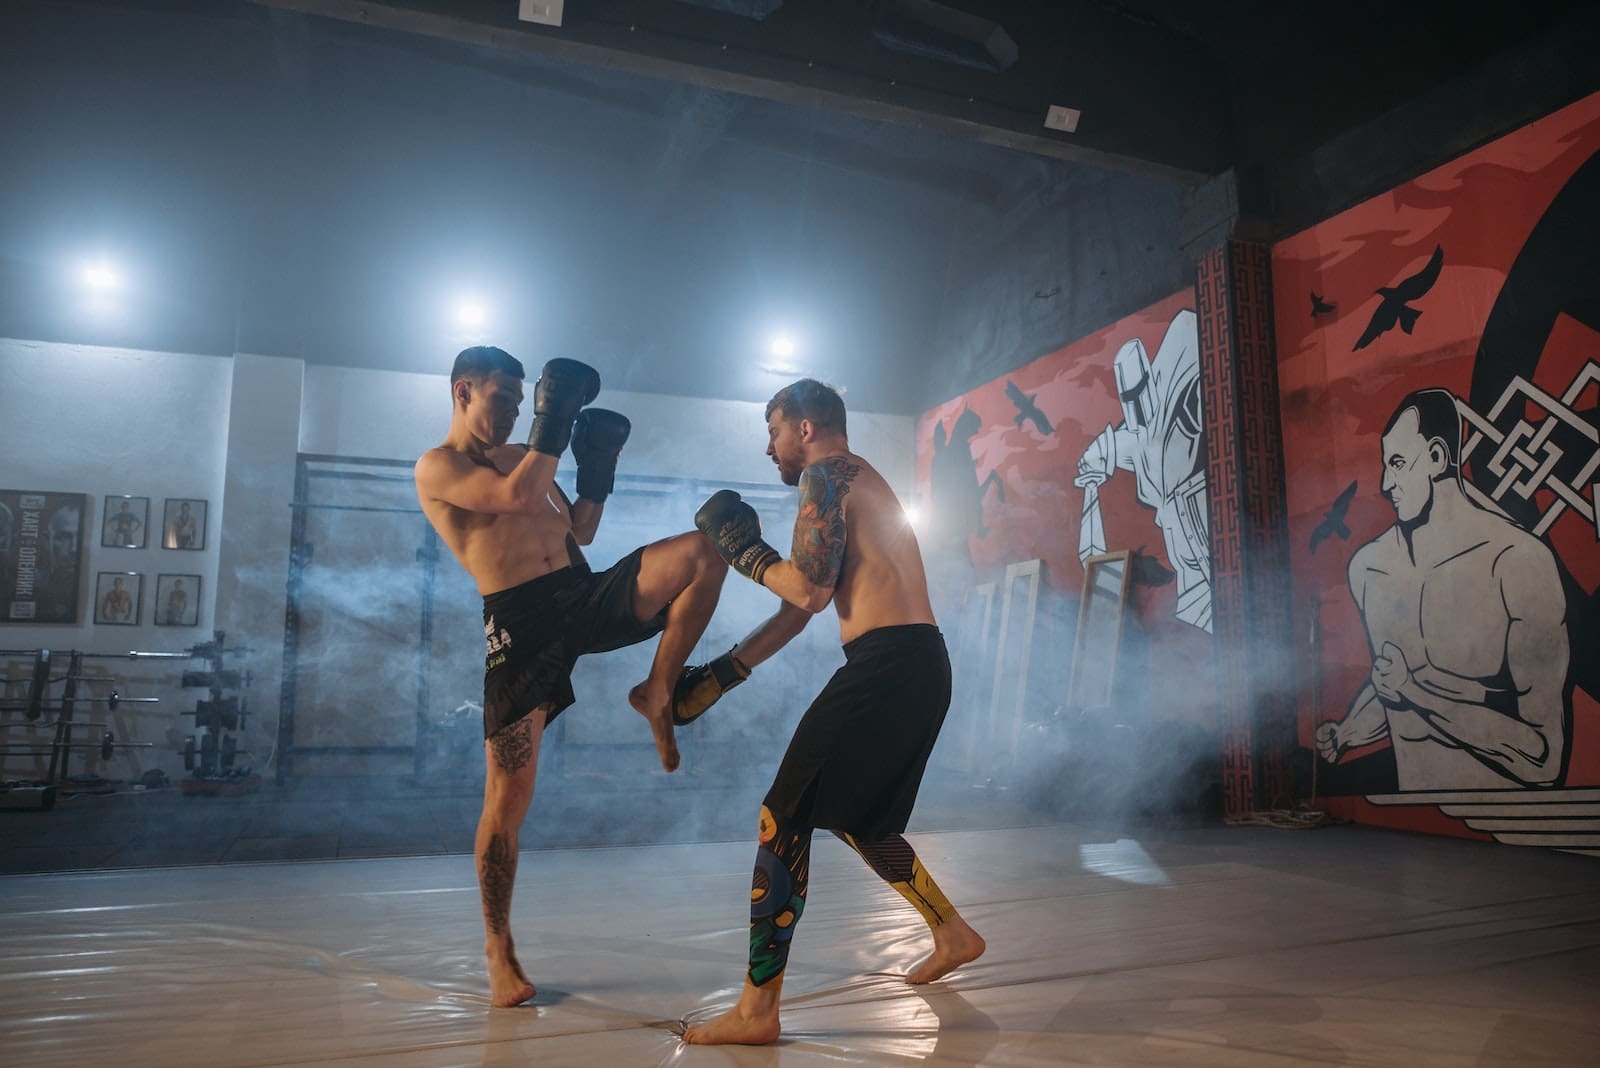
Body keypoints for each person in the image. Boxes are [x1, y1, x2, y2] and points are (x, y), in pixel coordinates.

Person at [413, 345, 729, 1008]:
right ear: (462, 390)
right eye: (503, 398)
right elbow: (512, 497)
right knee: (510, 794)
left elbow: (578, 527)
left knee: (704, 552)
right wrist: (554, 426)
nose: (513, 413)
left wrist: (597, 469)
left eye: (524, 402)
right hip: (520, 627)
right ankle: (498, 948)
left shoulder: (529, 460)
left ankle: (657, 690)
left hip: (580, 594)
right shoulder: (440, 465)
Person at [679, 378, 986, 1046]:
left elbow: (809, 592)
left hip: (891, 666)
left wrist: (740, 548)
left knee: (782, 814)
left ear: (806, 429)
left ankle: (757, 1010)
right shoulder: (853, 481)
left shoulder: (826, 477)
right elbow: (799, 608)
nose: (770, 449)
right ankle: (953, 933)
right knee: (858, 820)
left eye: (774, 431)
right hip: (914, 665)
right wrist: (725, 673)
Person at [1315, 389, 1570, 789]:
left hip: (1509, 822)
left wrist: (1413, 691)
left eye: (1397, 463)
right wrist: (1347, 733)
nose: (1385, 484)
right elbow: (1393, 687)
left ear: (1436, 457)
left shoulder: (1516, 563)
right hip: (1411, 826)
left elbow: (1543, 756)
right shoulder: (1371, 568)